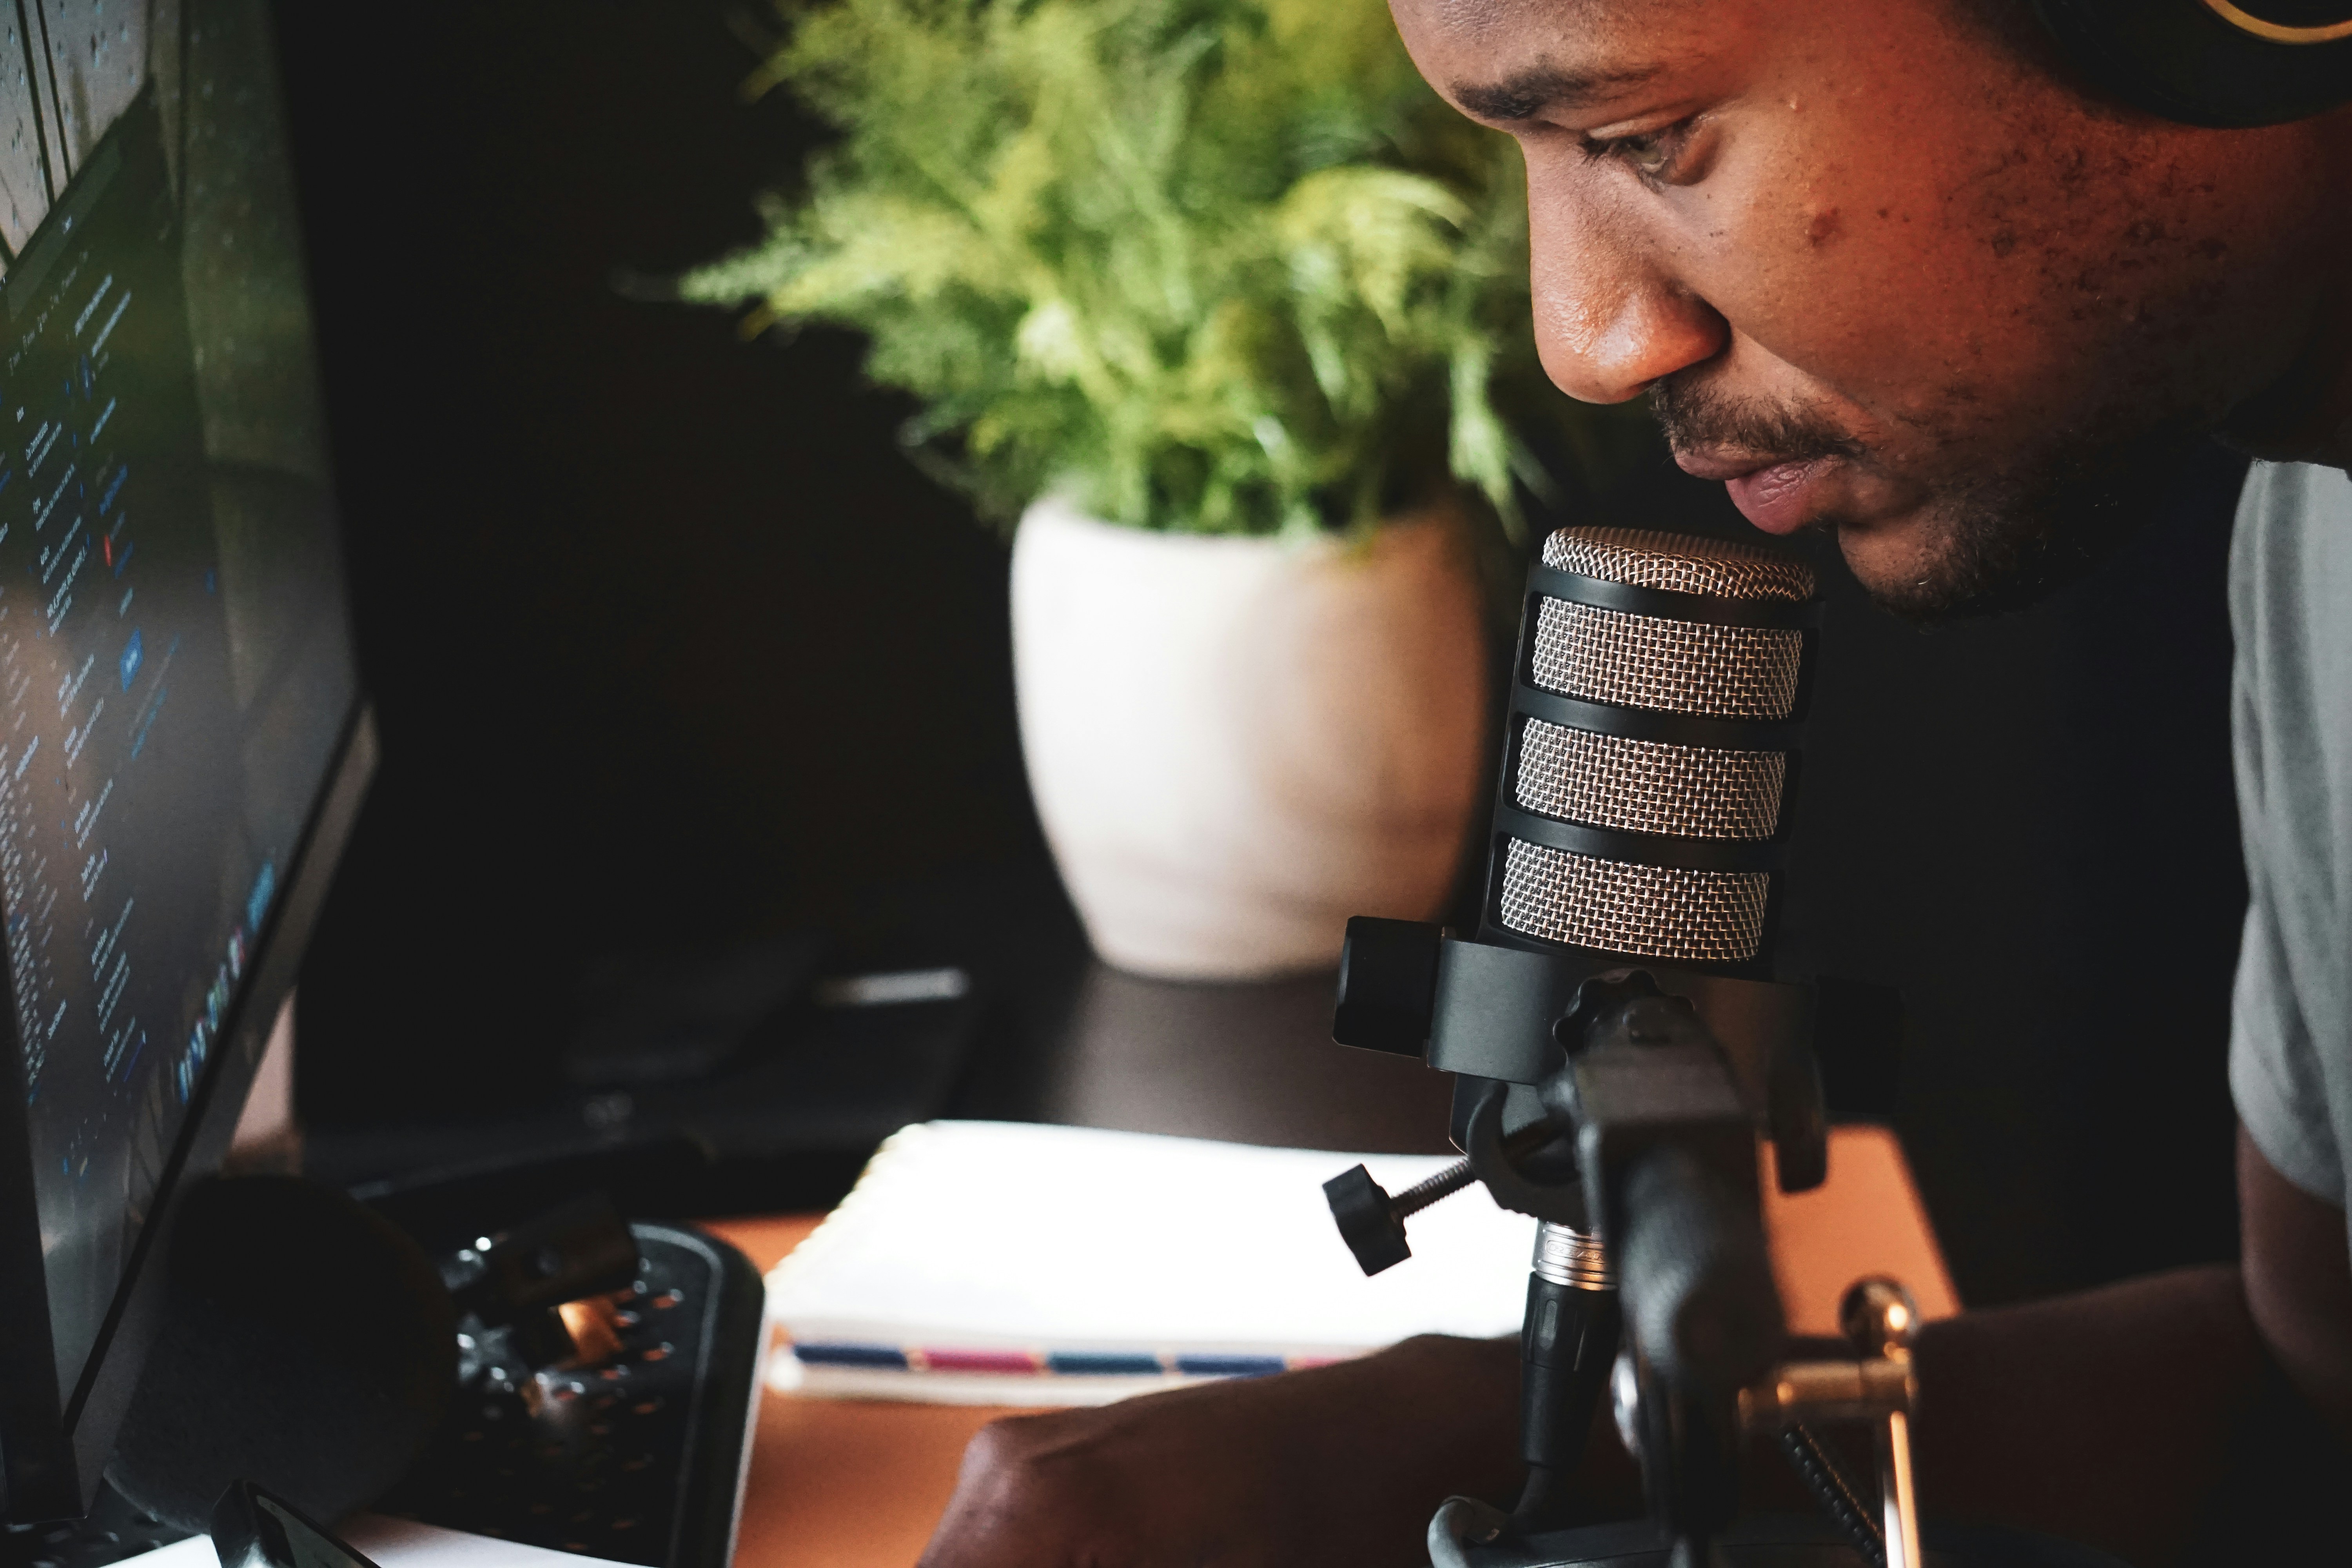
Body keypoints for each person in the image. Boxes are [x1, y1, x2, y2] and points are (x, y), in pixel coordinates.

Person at [915, 3, 2352, 1563]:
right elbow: (2314, 1398)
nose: (1586, 338)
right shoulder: (2312, 524)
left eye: (1644, 139)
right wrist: (1454, 1453)